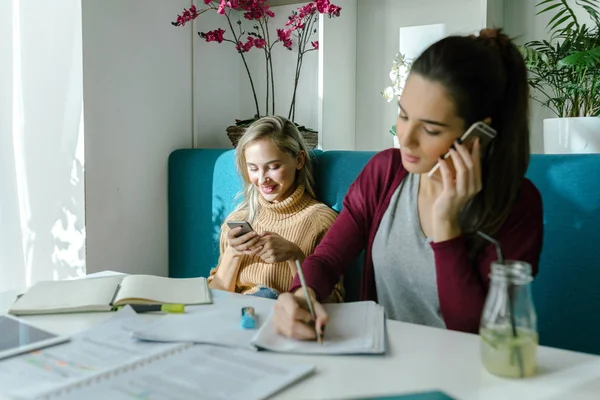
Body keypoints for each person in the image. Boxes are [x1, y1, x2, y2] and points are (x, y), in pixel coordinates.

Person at [273, 29, 544, 339]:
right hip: (382, 364)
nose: (406, 138)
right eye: (403, 115)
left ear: (478, 134)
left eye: (430, 129)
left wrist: (445, 225)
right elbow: (327, 259)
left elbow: (473, 335)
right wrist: (298, 296)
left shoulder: (516, 205)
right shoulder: (385, 172)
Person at [208, 115, 344, 302]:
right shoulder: (239, 220)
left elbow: (334, 302)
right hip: (238, 320)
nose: (263, 179)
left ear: (299, 160)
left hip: (286, 320)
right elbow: (214, 299)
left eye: (273, 167)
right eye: (253, 168)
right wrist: (233, 253)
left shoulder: (322, 222)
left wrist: (295, 257)